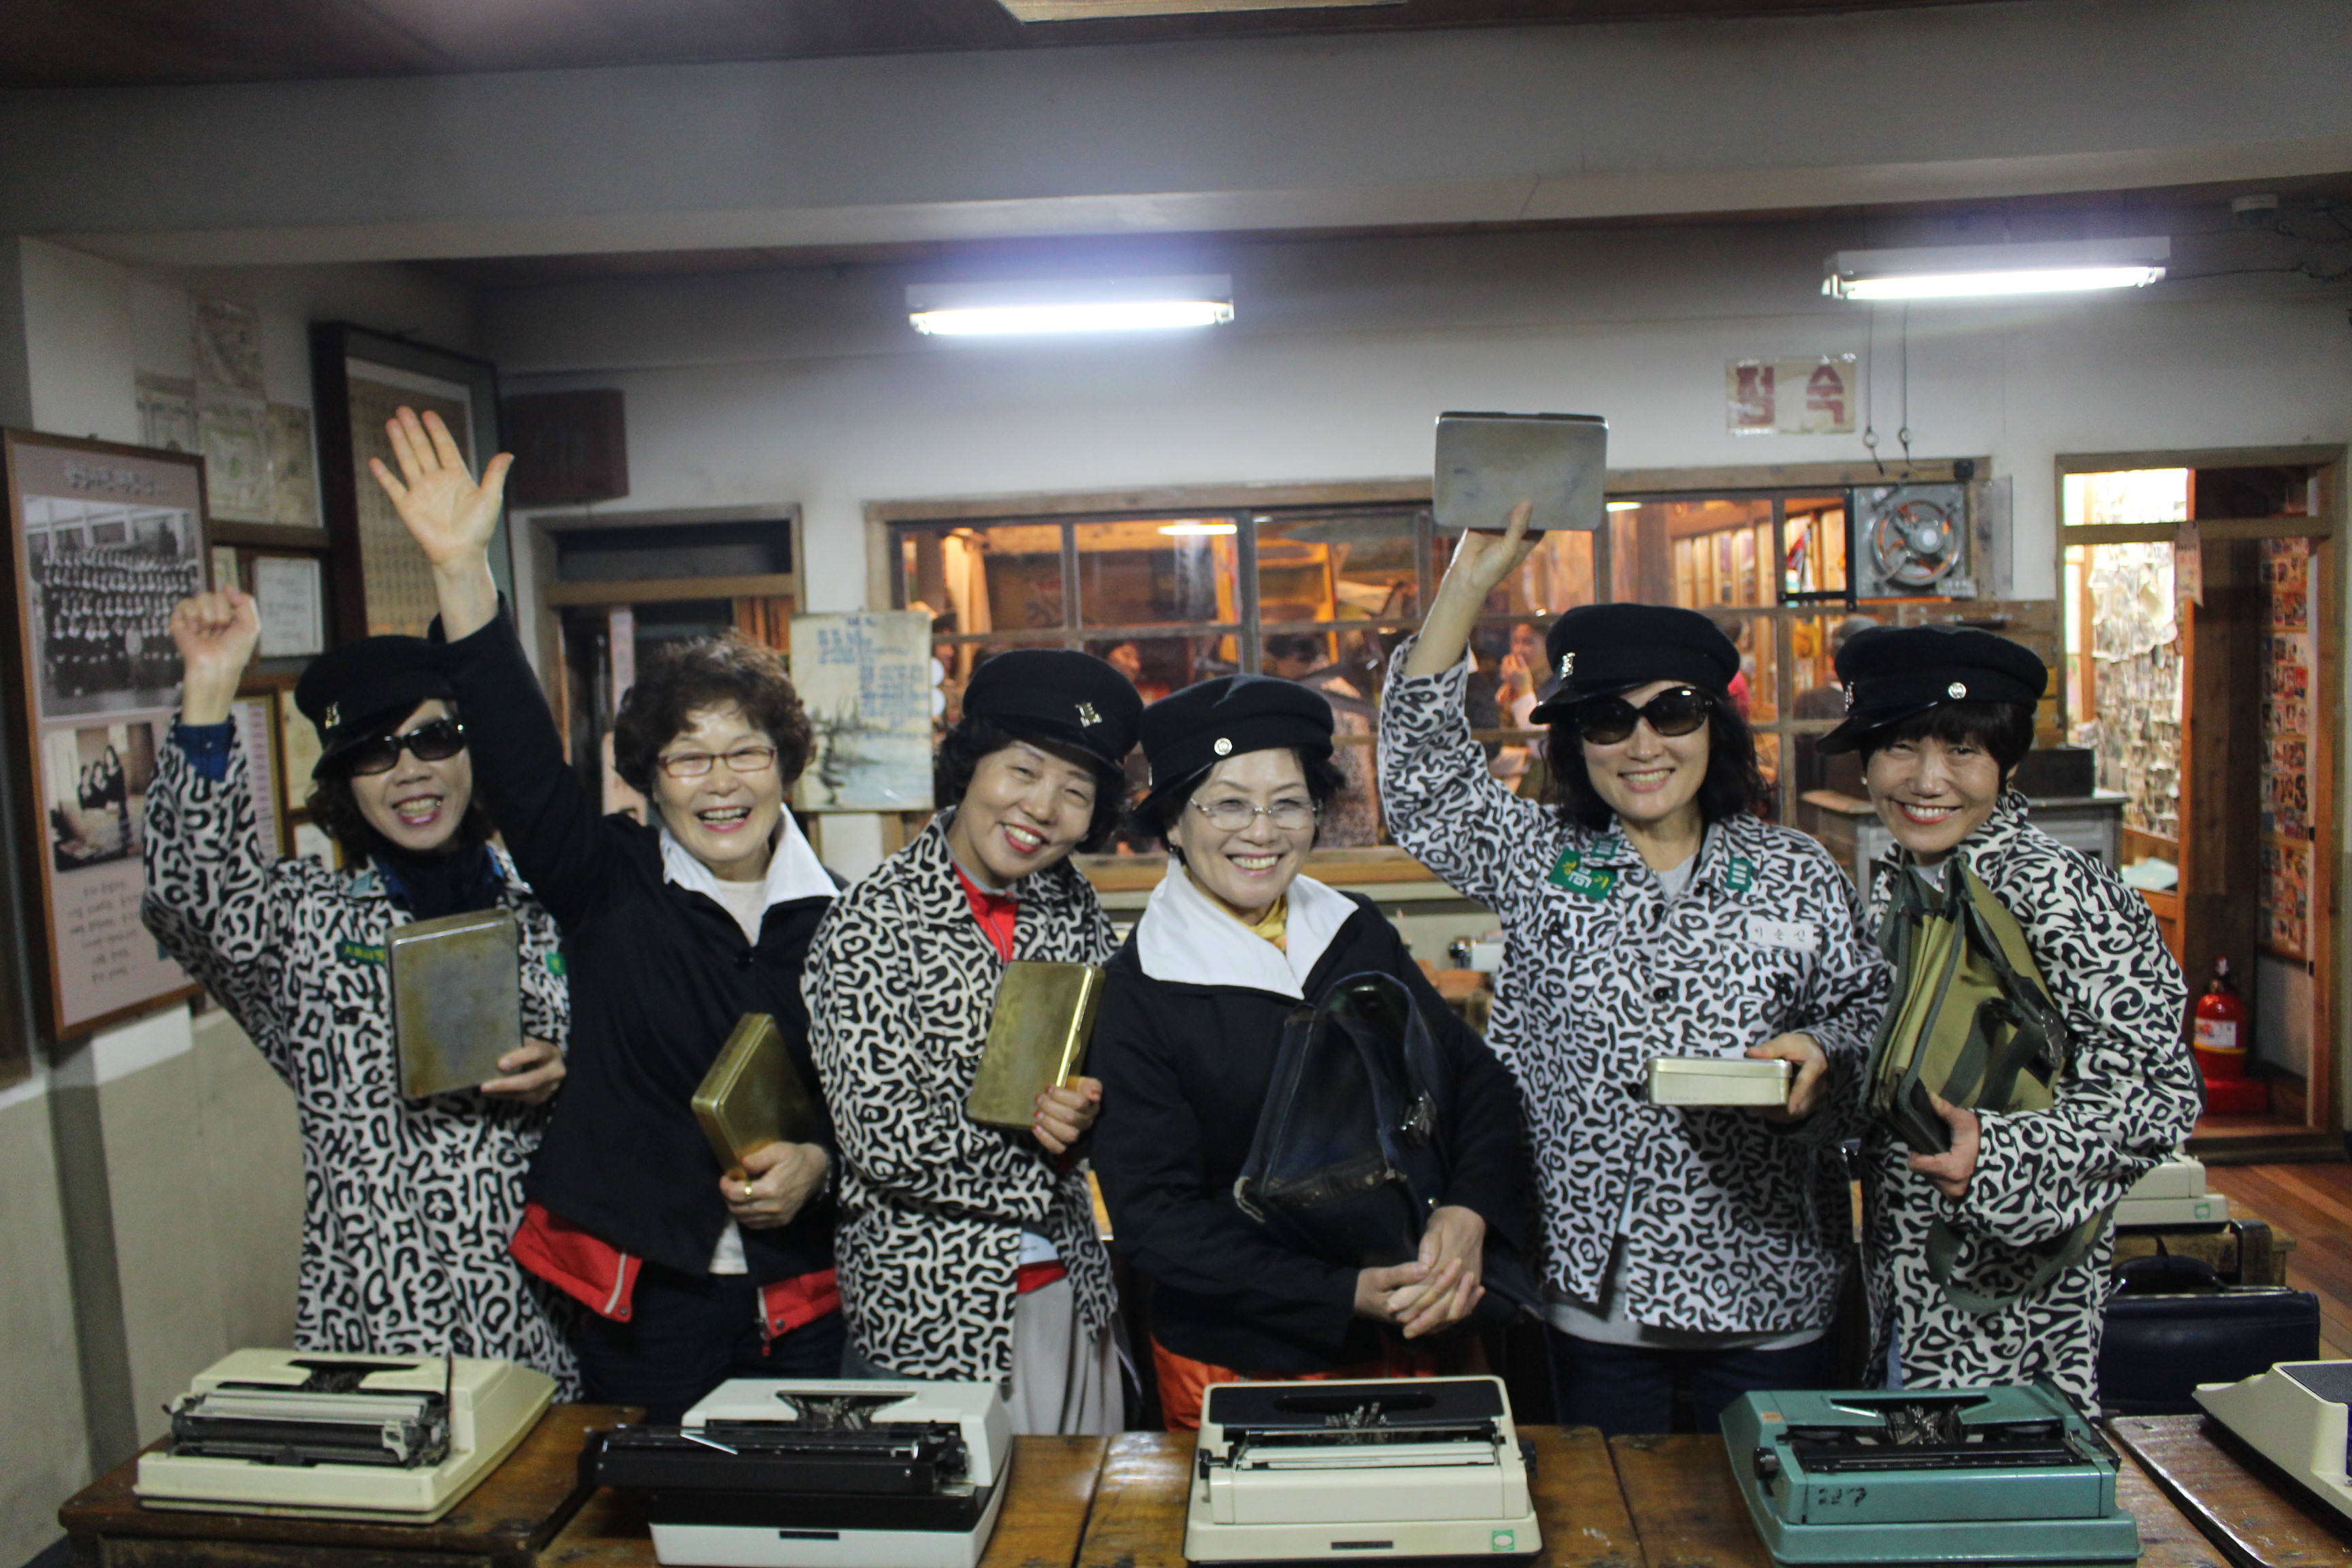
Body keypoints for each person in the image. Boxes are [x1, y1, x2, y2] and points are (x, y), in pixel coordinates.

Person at [372, 407, 842, 1422]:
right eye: (687, 758)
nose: (722, 782)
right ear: (652, 779)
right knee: (655, 1505)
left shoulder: (846, 919)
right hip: (649, 1304)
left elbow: (877, 1103)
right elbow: (519, 763)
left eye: (747, 752)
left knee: (806, 1504)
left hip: (807, 1298)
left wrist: (820, 1163)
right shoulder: (608, 883)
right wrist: (461, 574)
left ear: (786, 766)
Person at [1377, 503, 1888, 1436]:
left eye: (1673, 713)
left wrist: (1820, 1054)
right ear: (1576, 742)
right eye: (1610, 720)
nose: (1644, 746)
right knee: (1607, 1508)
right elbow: (1425, 784)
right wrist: (1469, 581)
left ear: (1715, 727)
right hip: (1595, 1291)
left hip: (1771, 1279)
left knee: (1764, 1505)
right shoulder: (1542, 859)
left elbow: (1866, 1014)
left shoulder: (1796, 869)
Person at [142, 589, 576, 1389]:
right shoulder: (305, 928)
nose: (410, 772)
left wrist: (569, 1072)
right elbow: (189, 898)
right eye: (374, 753)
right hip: (375, 1329)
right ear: (346, 782)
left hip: (547, 1320)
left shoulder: (553, 913)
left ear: (473, 751)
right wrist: (208, 687)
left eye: (433, 739)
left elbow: (643, 1076)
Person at [1090, 676, 1533, 1431]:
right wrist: (1344, 1292)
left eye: (1288, 803)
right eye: (1229, 804)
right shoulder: (1141, 991)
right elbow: (1156, 1222)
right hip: (1244, 1360)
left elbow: (1475, 1079)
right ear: (1172, 821)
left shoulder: (1353, 930)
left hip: (1424, 1324)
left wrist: (1469, 1212)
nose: (1262, 832)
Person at [1818, 624, 2198, 1416]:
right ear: (1867, 761)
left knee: (2003, 1481)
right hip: (1906, 1288)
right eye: (1900, 747)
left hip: (2015, 1316)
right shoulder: (1910, 885)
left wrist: (1996, 1155)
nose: (1927, 780)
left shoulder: (2057, 890)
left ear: (2008, 764)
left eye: (1963, 750)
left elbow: (2159, 1094)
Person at [805, 650, 1141, 1434]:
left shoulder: (1074, 905)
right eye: (1022, 770)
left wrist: (1092, 1109)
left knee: (1081, 1503)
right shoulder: (870, 922)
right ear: (972, 766)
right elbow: (883, 1140)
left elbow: (1119, 1066)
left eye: (1076, 791)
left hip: (1075, 1292)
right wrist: (1056, 1158)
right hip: (931, 1311)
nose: (1042, 808)